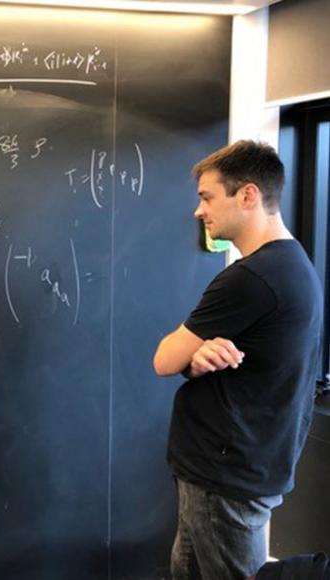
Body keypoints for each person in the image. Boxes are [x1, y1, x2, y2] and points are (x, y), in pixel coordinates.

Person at [153, 140, 322, 580]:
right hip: (231, 468)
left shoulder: (250, 278)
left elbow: (164, 359)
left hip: (226, 478)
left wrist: (186, 358)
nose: (198, 211)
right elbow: (229, 363)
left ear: (247, 195)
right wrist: (199, 360)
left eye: (207, 197)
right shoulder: (293, 262)